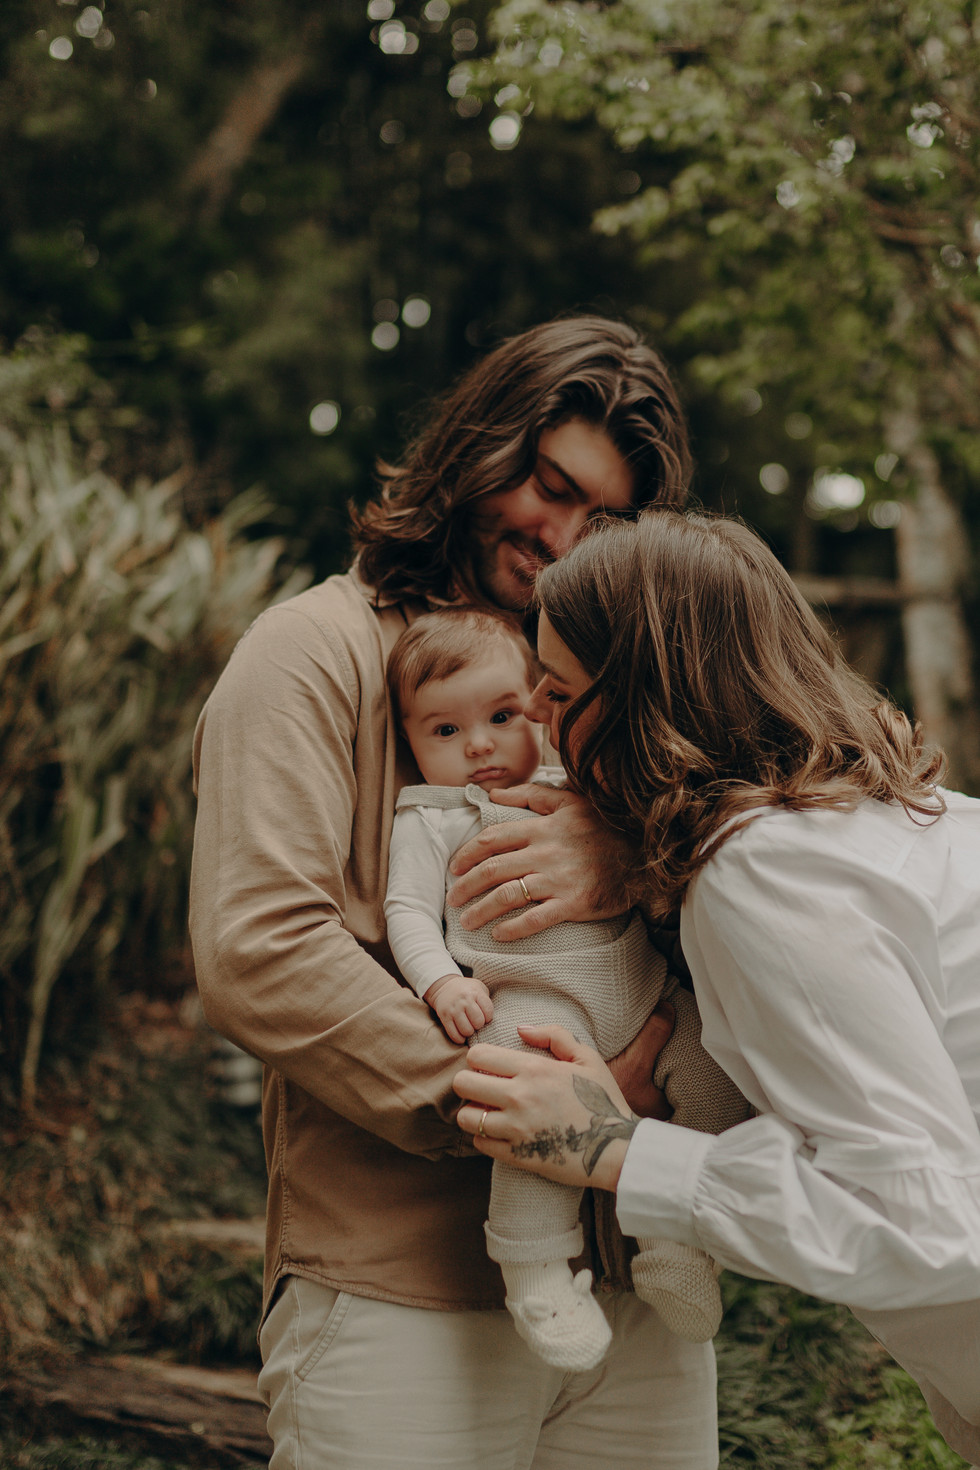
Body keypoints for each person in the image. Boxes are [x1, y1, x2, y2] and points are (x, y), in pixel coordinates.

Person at [189, 317, 724, 1470]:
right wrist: (538, 1113)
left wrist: (624, 860)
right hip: (400, 1297)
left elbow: (737, 876)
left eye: (604, 520)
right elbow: (259, 948)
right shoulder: (310, 653)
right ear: (478, 443)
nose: (563, 539)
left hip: (635, 1280)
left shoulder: (621, 678)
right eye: (549, 486)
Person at [453, 509, 980, 1466]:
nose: (529, 708)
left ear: (643, 704)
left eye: (558, 688)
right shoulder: (905, 822)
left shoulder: (761, 870)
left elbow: (924, 1221)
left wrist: (614, 1149)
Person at [384, 606, 749, 1370]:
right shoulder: (432, 819)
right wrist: (441, 982)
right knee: (536, 1124)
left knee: (712, 1069)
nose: (479, 744)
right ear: (409, 741)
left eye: (502, 716)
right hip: (535, 1004)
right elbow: (407, 912)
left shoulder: (582, 784)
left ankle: (678, 1240)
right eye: (445, 730)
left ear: (539, 709)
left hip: (640, 986)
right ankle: (536, 1271)